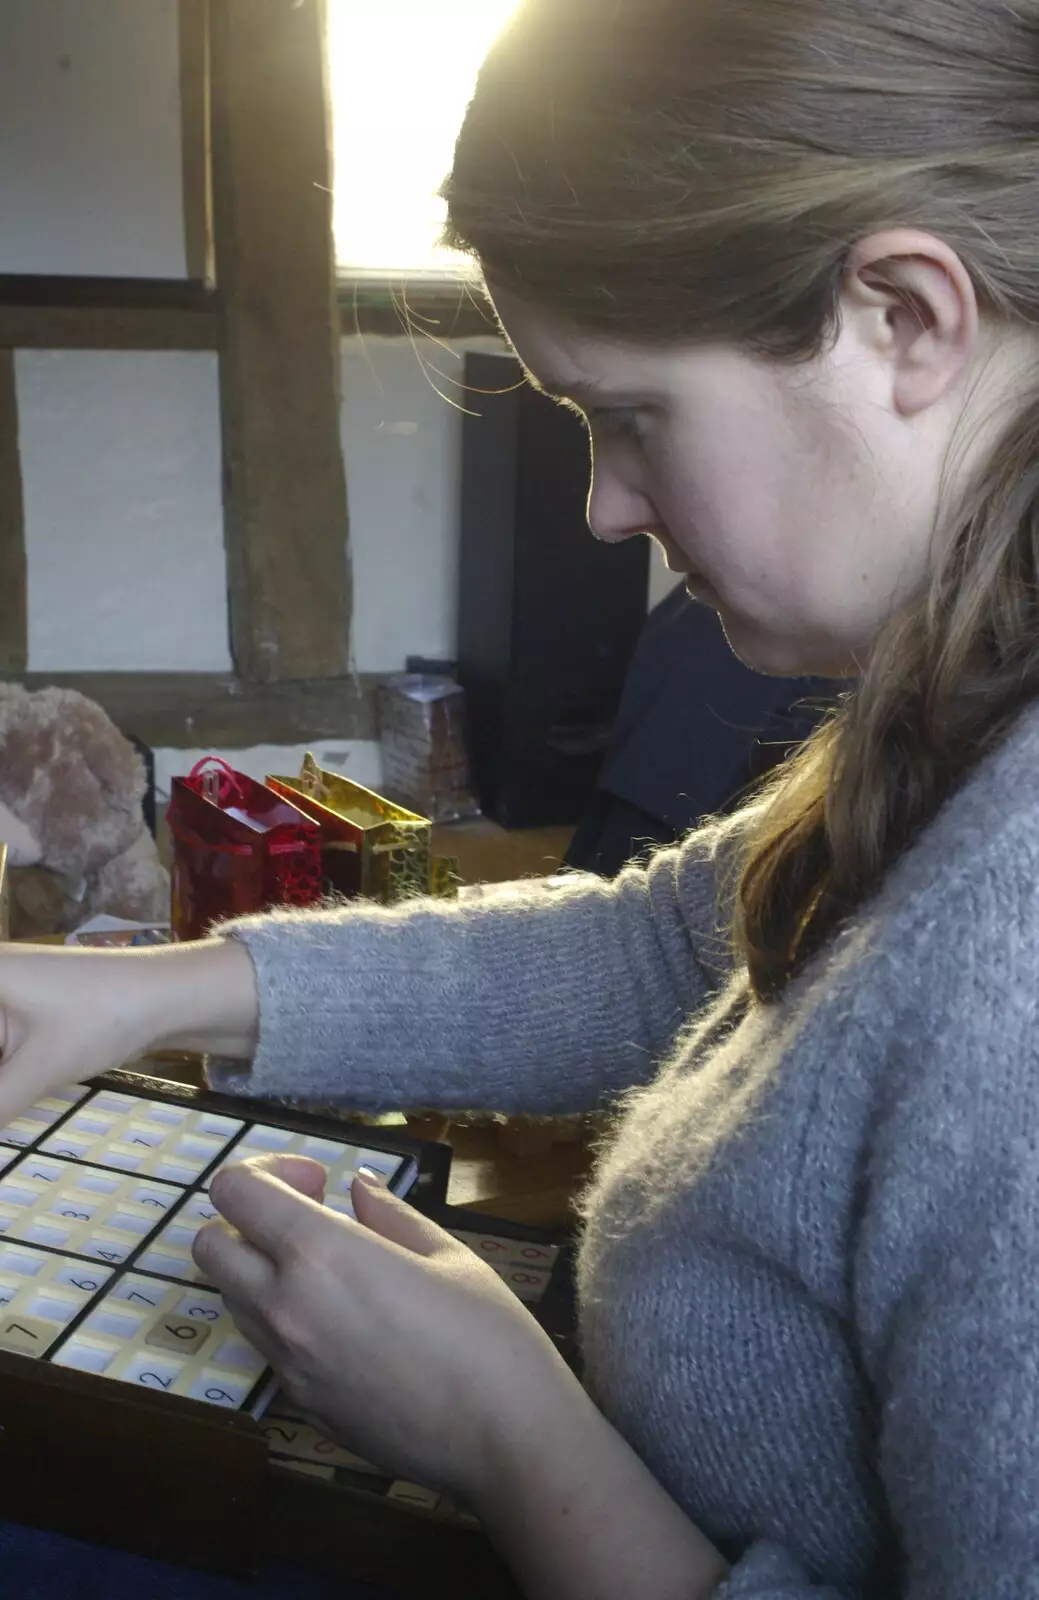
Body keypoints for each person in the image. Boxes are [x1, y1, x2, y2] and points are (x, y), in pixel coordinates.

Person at [3, 1, 1039, 1594]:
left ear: (904, 317)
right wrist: (129, 998)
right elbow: (652, 955)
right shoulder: (962, 708)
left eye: (627, 418)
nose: (604, 508)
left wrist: (507, 1434)